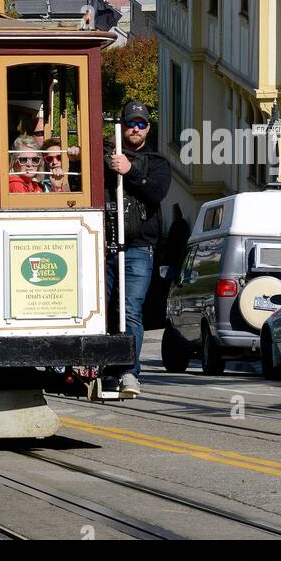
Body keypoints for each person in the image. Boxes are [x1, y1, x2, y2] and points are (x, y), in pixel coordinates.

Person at [104, 100, 170, 397]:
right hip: (105, 246)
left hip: (139, 249)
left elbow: (156, 192)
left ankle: (130, 370)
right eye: (131, 123)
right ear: (122, 125)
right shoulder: (106, 157)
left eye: (141, 124)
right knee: (104, 310)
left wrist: (129, 170)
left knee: (130, 309)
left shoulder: (158, 163)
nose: (135, 128)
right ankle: (105, 367)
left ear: (148, 128)